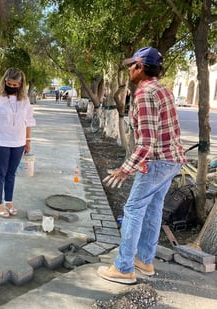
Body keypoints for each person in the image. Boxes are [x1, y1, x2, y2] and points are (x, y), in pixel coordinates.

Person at [97, 47, 187, 284]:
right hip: (172, 161)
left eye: (131, 65)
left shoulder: (145, 93)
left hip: (157, 162)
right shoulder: (163, 90)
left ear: (140, 67)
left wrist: (125, 169)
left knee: (134, 209)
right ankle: (145, 261)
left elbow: (147, 140)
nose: (128, 69)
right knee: (153, 209)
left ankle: (124, 267)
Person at [0, 67, 36, 218]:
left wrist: (27, 141)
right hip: (1, 142)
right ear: (4, 81)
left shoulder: (24, 99)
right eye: (9, 84)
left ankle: (9, 201)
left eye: (14, 85)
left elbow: (28, 121)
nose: (11, 87)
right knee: (0, 173)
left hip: (18, 142)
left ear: (20, 84)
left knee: (11, 174)